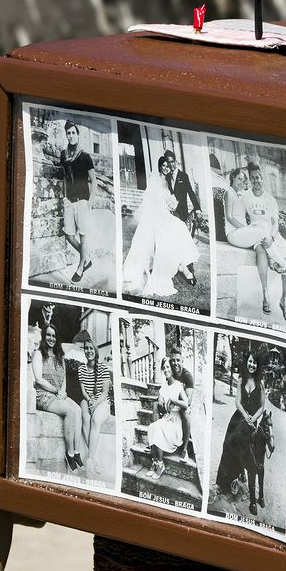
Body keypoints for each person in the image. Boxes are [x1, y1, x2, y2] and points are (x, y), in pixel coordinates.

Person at [221, 164, 286, 318]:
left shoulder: (270, 199)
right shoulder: (244, 196)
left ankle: (283, 299)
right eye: (252, 178)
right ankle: (266, 295)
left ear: (262, 179)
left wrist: (272, 237)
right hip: (255, 233)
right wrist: (246, 229)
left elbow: (275, 223)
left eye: (258, 177)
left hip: (271, 234)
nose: (255, 181)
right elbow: (233, 214)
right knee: (261, 250)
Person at [123, 150, 200, 298]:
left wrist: (172, 204)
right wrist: (162, 209)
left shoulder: (169, 179)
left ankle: (184, 266)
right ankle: (180, 267)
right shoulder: (154, 179)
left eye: (168, 165)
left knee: (180, 228)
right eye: (163, 165)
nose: (166, 167)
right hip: (156, 214)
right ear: (159, 167)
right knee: (169, 233)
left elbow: (182, 194)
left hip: (166, 213)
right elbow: (150, 200)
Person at [215, 347, 271, 516]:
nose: (252, 364)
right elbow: (237, 403)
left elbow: (262, 407)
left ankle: (243, 472)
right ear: (247, 362)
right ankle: (229, 478)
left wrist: (252, 419)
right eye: (250, 361)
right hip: (239, 418)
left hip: (253, 419)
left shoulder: (260, 383)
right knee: (230, 442)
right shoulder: (241, 379)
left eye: (254, 362)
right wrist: (245, 416)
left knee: (250, 446)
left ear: (257, 364)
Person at [32, 325, 85, 471]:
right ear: (44, 337)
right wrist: (56, 391)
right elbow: (39, 379)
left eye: (54, 336)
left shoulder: (60, 357)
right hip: (43, 395)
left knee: (78, 410)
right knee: (70, 411)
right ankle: (69, 453)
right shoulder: (38, 354)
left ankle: (77, 452)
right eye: (48, 335)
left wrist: (62, 392)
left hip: (57, 394)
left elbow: (64, 380)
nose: (51, 338)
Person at [58, 122, 98, 285]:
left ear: (78, 135)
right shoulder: (63, 155)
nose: (71, 135)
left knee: (83, 234)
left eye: (73, 133)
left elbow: (94, 181)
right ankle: (87, 258)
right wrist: (64, 197)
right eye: (68, 133)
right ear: (66, 135)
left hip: (82, 201)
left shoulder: (85, 156)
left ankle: (81, 267)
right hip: (69, 201)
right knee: (69, 235)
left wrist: (90, 202)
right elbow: (64, 178)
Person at [69, 331, 113, 471]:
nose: (88, 351)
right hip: (87, 399)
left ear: (95, 350)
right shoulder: (81, 369)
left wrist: (96, 403)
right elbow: (83, 391)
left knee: (95, 420)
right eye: (86, 348)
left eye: (91, 348)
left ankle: (89, 459)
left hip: (102, 401)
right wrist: (89, 401)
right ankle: (93, 459)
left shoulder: (103, 369)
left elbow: (105, 392)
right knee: (86, 419)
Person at [165, 348, 197, 462]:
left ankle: (184, 450)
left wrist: (174, 401)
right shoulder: (169, 373)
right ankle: (156, 443)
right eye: (172, 360)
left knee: (186, 413)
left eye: (178, 360)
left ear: (182, 360)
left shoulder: (187, 376)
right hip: (172, 405)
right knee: (156, 405)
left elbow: (188, 402)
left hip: (182, 405)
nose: (175, 363)